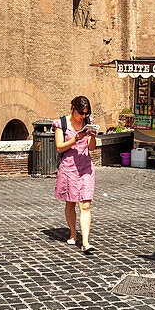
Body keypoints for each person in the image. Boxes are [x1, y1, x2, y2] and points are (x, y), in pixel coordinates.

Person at [53, 96, 97, 253]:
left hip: (85, 166)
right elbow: (59, 147)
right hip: (69, 167)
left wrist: (92, 136)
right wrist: (75, 139)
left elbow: (91, 148)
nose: (83, 116)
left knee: (85, 204)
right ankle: (73, 232)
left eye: (86, 113)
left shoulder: (88, 122)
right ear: (73, 108)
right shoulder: (61, 124)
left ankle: (85, 241)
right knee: (71, 202)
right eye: (80, 113)